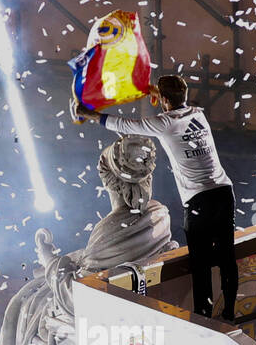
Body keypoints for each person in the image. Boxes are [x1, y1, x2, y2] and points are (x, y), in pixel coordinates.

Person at [72, 75, 236, 322]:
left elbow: (127, 125)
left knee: (200, 264)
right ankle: (230, 312)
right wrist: (156, 92)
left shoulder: (165, 123)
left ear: (165, 101)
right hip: (224, 192)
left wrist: (91, 114)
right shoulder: (198, 114)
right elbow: (174, 101)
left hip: (199, 201)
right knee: (226, 257)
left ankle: (205, 319)